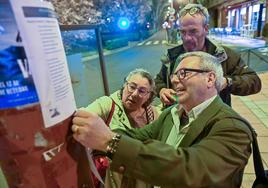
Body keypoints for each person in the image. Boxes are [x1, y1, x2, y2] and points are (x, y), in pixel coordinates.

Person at [72, 51, 253, 187]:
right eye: (174, 75)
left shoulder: (234, 128)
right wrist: (96, 130)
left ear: (210, 78)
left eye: (183, 73)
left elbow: (190, 169)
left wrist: (110, 141)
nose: (174, 80)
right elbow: (137, 135)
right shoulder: (172, 113)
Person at [155, 3, 261, 107]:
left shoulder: (222, 55)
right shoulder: (172, 56)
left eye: (193, 31)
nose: (187, 38)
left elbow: (254, 82)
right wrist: (162, 90)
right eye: (183, 32)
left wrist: (226, 82)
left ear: (206, 29)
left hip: (213, 119)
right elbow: (158, 81)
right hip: (179, 119)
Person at [80, 68, 160, 188]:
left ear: (148, 96)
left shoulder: (153, 114)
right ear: (124, 85)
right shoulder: (107, 104)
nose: (134, 94)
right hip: (111, 178)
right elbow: (84, 116)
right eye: (132, 87)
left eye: (142, 91)